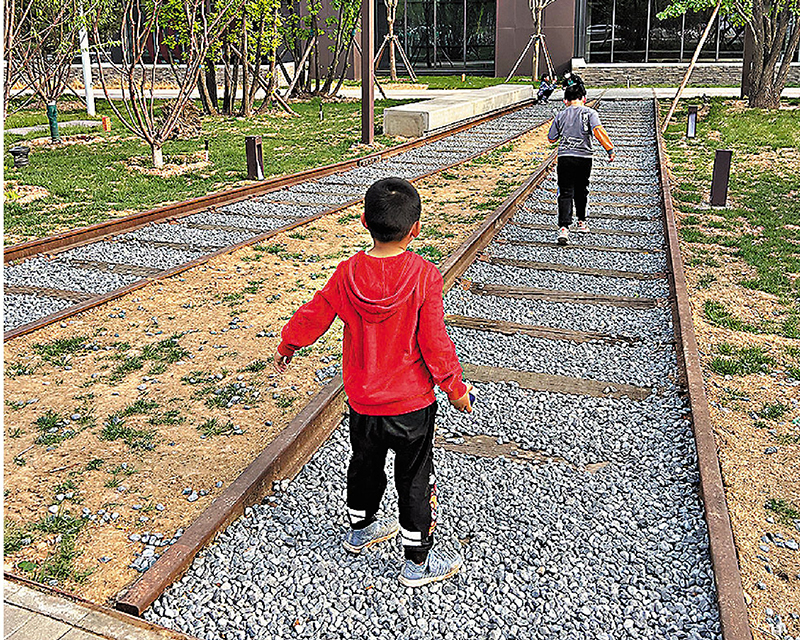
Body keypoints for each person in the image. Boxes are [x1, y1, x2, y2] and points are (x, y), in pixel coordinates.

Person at [273, 177, 473, 587]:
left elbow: (315, 314)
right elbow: (434, 341)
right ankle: (417, 563)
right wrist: (454, 386)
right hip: (412, 404)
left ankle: (360, 530)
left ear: (363, 220)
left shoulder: (347, 274)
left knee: (364, 464)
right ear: (416, 228)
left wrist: (288, 344)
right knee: (414, 476)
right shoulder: (424, 276)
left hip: (362, 400)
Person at [547, 80, 615, 245]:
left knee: (565, 191)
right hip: (584, 158)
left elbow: (551, 138)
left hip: (565, 158)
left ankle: (563, 228)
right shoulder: (590, 113)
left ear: (565, 100)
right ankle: (582, 222)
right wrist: (609, 149)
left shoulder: (560, 115)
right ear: (583, 98)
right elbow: (598, 131)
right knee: (582, 189)